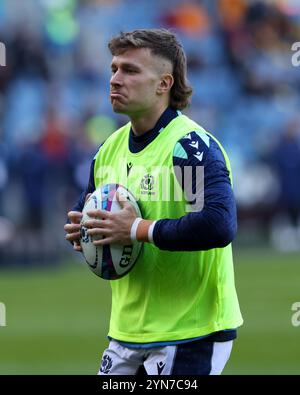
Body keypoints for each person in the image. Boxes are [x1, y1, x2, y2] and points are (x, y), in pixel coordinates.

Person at [64, 29, 243, 375]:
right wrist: (81, 229)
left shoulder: (186, 148)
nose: (115, 79)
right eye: (114, 69)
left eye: (130, 71)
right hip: (126, 334)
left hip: (190, 332)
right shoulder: (108, 151)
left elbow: (218, 224)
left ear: (164, 83)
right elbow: (87, 211)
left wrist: (134, 229)